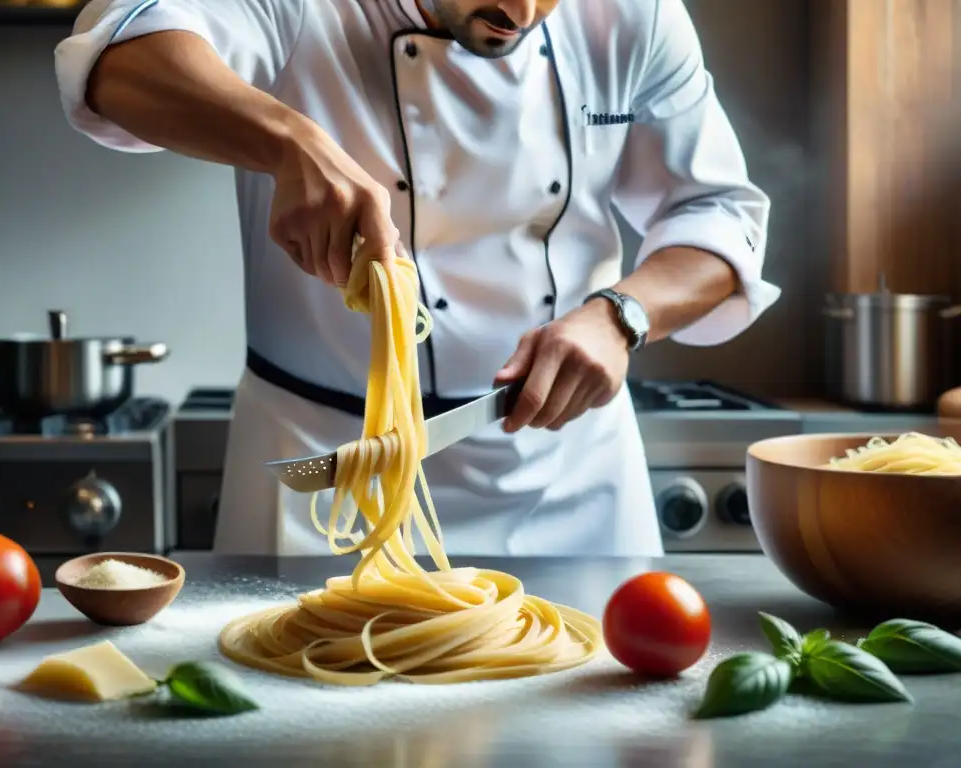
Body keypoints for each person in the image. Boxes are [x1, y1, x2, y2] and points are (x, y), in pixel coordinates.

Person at [54, 0, 780, 557]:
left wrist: (622, 314)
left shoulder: (635, 15)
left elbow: (718, 215)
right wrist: (291, 143)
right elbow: (118, 57)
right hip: (329, 483)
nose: (519, 13)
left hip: (571, 481)